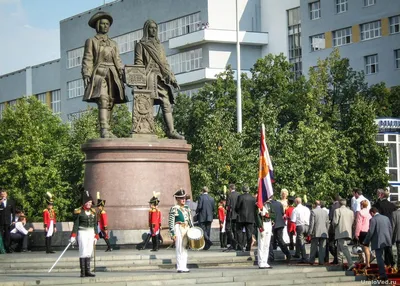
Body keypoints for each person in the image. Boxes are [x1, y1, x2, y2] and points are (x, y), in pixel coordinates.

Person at [134, 19, 183, 139]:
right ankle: (145, 130)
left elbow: (164, 64)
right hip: (148, 77)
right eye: (151, 28)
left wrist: (172, 79)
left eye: (155, 28)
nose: (153, 30)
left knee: (166, 103)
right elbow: (138, 62)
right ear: (146, 29)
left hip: (161, 78)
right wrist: (138, 79)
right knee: (147, 104)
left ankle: (171, 131)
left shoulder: (160, 46)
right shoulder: (141, 45)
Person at [81, 11, 128, 138]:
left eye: (107, 24)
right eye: (103, 24)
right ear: (97, 25)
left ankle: (109, 129)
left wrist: (124, 74)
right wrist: (86, 73)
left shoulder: (114, 44)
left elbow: (118, 61)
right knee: (103, 99)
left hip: (113, 75)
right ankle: (104, 129)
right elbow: (88, 58)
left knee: (110, 102)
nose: (105, 26)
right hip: (100, 73)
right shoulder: (91, 41)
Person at [70, 191, 99, 277]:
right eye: (88, 202)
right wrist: (73, 235)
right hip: (82, 232)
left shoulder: (93, 212)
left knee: (89, 251)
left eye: (90, 202)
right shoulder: (79, 212)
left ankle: (88, 271)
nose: (90, 204)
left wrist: (96, 235)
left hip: (91, 233)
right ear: (84, 202)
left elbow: (95, 224)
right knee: (83, 251)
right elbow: (76, 224)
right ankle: (82, 272)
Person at [363, 207, 393, 281]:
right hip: (387, 240)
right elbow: (390, 229)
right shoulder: (386, 218)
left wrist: (366, 241)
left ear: (372, 212)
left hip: (378, 241)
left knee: (379, 257)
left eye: (371, 214)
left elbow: (370, 232)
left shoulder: (373, 219)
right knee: (388, 256)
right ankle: (391, 269)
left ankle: (383, 274)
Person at [168, 189, 193, 273]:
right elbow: (171, 222)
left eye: (184, 198)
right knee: (179, 248)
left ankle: (184, 266)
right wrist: (172, 233)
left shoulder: (187, 208)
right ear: (177, 199)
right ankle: (179, 267)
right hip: (178, 228)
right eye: (181, 198)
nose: (184, 199)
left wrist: (192, 229)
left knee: (185, 248)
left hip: (186, 228)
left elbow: (190, 220)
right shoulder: (174, 208)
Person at [373, 188, 396, 267]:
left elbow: (375, 211)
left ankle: (386, 262)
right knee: (388, 245)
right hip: (390, 226)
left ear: (381, 195)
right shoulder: (392, 205)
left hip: (381, 226)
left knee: (381, 245)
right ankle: (390, 261)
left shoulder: (379, 204)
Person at [333, 198, 355, 270]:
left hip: (340, 230)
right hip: (347, 231)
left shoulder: (337, 211)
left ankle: (350, 263)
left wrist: (333, 227)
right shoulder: (351, 212)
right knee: (339, 248)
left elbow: (335, 222)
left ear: (339, 203)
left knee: (343, 247)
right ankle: (340, 264)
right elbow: (352, 222)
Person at [255, 197, 275, 269]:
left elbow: (274, 215)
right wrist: (260, 227)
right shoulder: (258, 205)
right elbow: (257, 217)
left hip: (269, 224)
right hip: (262, 224)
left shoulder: (270, 204)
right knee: (261, 244)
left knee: (267, 244)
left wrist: (267, 214)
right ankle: (260, 262)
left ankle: (265, 261)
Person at [235, 185, 256, 252]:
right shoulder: (253, 198)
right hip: (250, 218)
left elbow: (237, 207)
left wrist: (238, 212)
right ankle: (248, 247)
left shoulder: (240, 197)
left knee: (239, 232)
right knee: (249, 233)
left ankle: (240, 247)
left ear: (243, 190)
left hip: (241, 217)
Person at [270, 197, 291, 262]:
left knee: (271, 240)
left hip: (273, 223)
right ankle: (287, 253)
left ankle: (271, 256)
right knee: (280, 240)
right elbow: (282, 213)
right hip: (280, 223)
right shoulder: (279, 203)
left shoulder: (268, 204)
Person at [308, 200, 329, 265]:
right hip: (324, 231)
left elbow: (312, 223)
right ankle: (321, 261)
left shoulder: (313, 211)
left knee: (313, 247)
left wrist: (310, 232)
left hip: (315, 231)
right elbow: (327, 223)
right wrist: (326, 231)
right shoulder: (325, 212)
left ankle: (312, 260)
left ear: (314, 205)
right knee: (322, 247)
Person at [291, 197, 310, 263]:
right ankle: (297, 253)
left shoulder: (295, 209)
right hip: (307, 225)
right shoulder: (307, 209)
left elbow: (293, 220)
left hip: (300, 226)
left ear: (296, 202)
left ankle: (304, 257)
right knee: (298, 239)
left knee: (301, 241)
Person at [355, 200, 372, 268]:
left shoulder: (360, 212)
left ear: (361, 205)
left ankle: (366, 262)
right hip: (369, 230)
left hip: (362, 231)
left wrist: (356, 233)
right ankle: (366, 260)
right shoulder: (369, 213)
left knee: (364, 247)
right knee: (366, 246)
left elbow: (359, 223)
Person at [225, 183, 240, 251]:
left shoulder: (229, 195)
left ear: (230, 188)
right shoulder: (239, 195)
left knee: (228, 229)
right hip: (237, 215)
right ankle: (236, 244)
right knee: (235, 230)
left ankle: (233, 243)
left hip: (230, 215)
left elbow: (227, 206)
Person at [328, 194, 341, 264]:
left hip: (333, 228)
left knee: (331, 244)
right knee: (339, 244)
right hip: (341, 228)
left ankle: (336, 257)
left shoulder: (333, 207)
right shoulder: (341, 206)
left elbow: (330, 217)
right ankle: (338, 258)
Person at [391, 201, 400, 269]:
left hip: (398, 235)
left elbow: (393, 226)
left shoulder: (394, 213)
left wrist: (391, 238)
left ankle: (399, 266)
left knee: (399, 251)